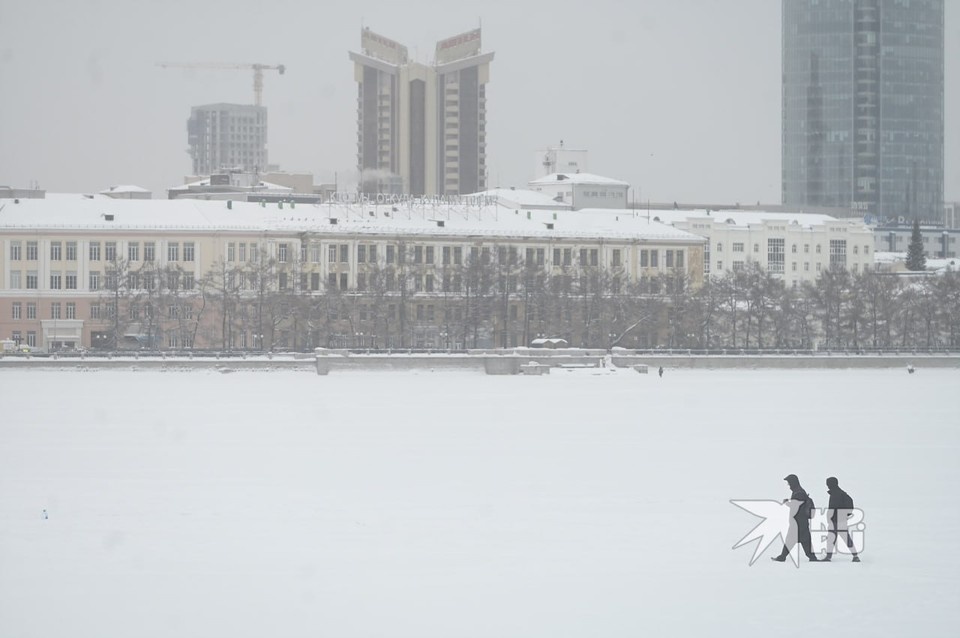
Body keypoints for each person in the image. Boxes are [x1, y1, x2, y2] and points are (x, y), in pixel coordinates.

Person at [772, 474, 819, 562]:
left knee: (799, 539)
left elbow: (796, 506)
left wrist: (787, 503)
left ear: (793, 482)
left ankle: (811, 557)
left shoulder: (799, 492)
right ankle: (811, 557)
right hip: (799, 521)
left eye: (789, 482)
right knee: (801, 539)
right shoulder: (798, 491)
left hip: (799, 521)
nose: (788, 485)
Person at [823, 477, 860, 562]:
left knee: (831, 539)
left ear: (831, 484)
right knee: (846, 538)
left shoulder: (836, 494)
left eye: (828, 484)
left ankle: (828, 557)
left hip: (836, 521)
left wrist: (830, 517)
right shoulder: (841, 493)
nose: (827, 485)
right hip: (841, 520)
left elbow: (833, 508)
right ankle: (855, 556)